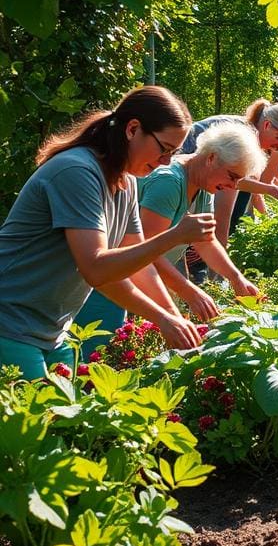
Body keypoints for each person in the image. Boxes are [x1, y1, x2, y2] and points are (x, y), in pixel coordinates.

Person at [0, 86, 215, 379]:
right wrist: (174, 236)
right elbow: (96, 269)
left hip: (51, 332)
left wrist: (172, 320)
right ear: (133, 129)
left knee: (74, 407)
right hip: (10, 325)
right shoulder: (77, 171)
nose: (166, 161)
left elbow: (138, 269)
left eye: (174, 153)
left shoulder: (125, 182)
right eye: (164, 148)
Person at [75, 123, 267, 357]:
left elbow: (206, 240)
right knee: (94, 354)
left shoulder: (204, 185)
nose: (233, 186)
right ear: (211, 158)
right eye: (232, 176)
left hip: (134, 281)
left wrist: (236, 278)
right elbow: (145, 250)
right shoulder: (169, 182)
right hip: (109, 282)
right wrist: (188, 292)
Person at [179, 100, 278, 246]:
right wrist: (221, 246)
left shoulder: (251, 135)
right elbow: (224, 207)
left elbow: (238, 183)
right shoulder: (240, 140)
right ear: (267, 125)